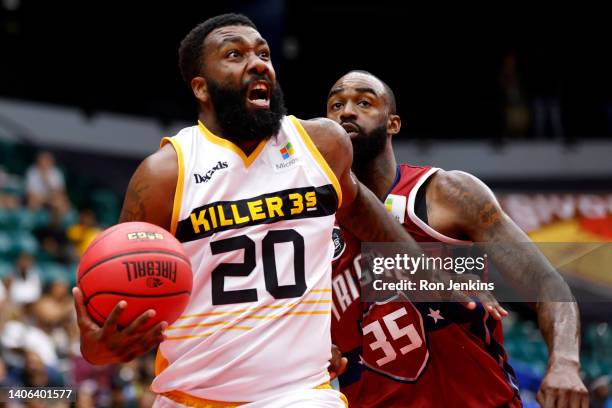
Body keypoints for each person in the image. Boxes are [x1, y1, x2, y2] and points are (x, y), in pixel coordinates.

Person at [72, 14, 453, 407]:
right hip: (187, 396)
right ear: (201, 88)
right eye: (235, 54)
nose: (258, 63)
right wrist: (100, 344)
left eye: (263, 52)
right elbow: (101, 335)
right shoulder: (165, 174)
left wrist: (430, 271)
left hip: (301, 395)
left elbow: (359, 209)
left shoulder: (321, 144)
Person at [327, 70, 589, 408]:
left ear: (393, 124)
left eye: (364, 102)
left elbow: (545, 283)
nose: (347, 111)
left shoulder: (445, 194)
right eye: (336, 104)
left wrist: (565, 363)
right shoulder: (312, 225)